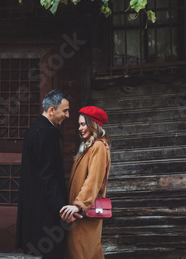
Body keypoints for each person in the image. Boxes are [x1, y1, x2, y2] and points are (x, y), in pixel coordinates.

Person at [16, 90, 72, 258]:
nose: (67, 115)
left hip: (37, 207)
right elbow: (46, 175)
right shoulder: (46, 133)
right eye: (65, 110)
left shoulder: (36, 129)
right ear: (51, 110)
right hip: (45, 209)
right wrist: (61, 206)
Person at [60, 106, 111, 259]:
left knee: (83, 253)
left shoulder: (98, 147)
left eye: (83, 124)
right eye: (79, 125)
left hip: (84, 214)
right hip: (80, 214)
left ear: (93, 124)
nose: (80, 128)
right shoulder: (89, 147)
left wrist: (78, 205)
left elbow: (93, 180)